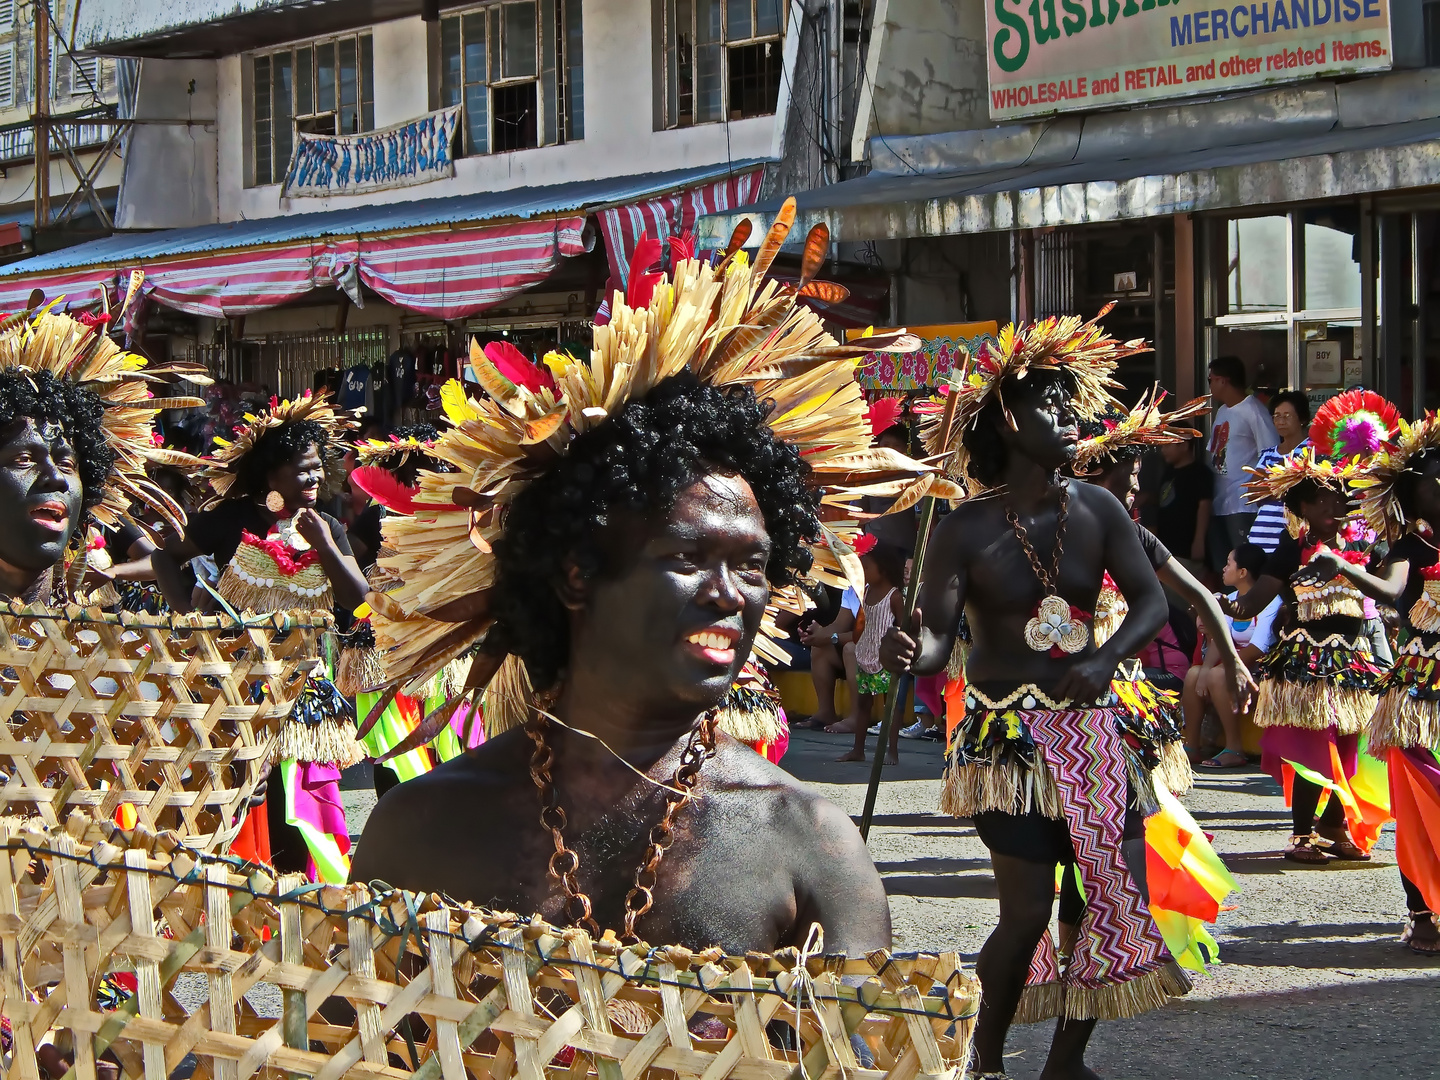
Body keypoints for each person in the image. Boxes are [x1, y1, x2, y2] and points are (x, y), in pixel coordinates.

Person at [351, 218, 950, 952]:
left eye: (754, 567)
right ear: (577, 574)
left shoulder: (810, 846)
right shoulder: (424, 828)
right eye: (687, 559)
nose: (731, 595)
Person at [882, 309, 1188, 1080]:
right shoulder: (961, 527)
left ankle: (1064, 1063)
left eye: (1071, 405)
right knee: (1023, 916)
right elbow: (935, 644)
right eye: (1051, 406)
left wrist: (1108, 657)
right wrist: (904, 647)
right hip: (1006, 741)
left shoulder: (1099, 508)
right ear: (1010, 417)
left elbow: (1152, 603)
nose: (1072, 421)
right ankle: (984, 1059)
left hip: (1094, 734)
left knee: (1100, 903)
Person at [152, 391, 370, 883]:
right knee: (246, 806)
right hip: (238, 696)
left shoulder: (329, 525)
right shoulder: (231, 520)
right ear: (270, 475)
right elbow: (165, 557)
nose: (314, 479)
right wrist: (186, 610)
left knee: (301, 819)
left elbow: (359, 600)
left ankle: (309, 906)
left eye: (317, 468)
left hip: (305, 698)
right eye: (302, 469)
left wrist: (324, 545)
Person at [1225, 442, 1392, 864]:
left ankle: (1334, 824)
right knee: (1313, 746)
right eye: (1320, 498)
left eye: (1337, 495)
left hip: (1356, 659)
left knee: (1355, 746)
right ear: (1302, 505)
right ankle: (1301, 834)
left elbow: (1392, 588)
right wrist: (1217, 604)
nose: (1332, 503)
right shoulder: (1291, 546)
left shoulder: (1365, 544)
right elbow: (1251, 603)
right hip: (1307, 662)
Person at [0, 308, 201, 606]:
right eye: (24, 460)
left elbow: (155, 557)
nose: (55, 477)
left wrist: (114, 572)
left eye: (68, 464)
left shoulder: (96, 641)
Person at [1345, 415, 1440, 953]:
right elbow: (1386, 589)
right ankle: (1420, 909)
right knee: (1417, 798)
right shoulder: (1409, 549)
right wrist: (1342, 563)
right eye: (1434, 478)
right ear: (1411, 492)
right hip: (1418, 694)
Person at [1183, 543, 1281, 769]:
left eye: (1229, 564)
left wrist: (1224, 668)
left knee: (1218, 675)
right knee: (1193, 674)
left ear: (1243, 572)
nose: (1223, 569)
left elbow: (1259, 647)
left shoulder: (1271, 601)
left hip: (1261, 677)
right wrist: (1205, 669)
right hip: (1233, 668)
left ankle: (1234, 748)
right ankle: (1192, 746)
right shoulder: (1231, 598)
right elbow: (1220, 638)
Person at [1206, 356, 1278, 571]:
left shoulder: (1254, 410)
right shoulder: (1221, 411)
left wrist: (1259, 488)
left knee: (1244, 567)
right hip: (1218, 501)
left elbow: (1271, 452)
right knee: (1224, 567)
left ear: (1223, 380)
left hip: (1242, 504)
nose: (1209, 385)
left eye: (1211, 379)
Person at [836, 535, 904, 764]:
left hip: (886, 657)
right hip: (865, 653)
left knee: (890, 706)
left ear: (883, 569)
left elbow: (903, 627)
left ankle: (891, 751)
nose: (862, 571)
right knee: (863, 704)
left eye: (866, 566)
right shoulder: (864, 590)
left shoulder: (895, 596)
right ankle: (858, 749)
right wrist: (850, 639)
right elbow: (860, 623)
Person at [1247, 390, 1311, 552]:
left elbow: (1303, 491)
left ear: (1302, 419)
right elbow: (1252, 492)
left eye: (1287, 416)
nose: (1280, 421)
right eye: (1277, 416)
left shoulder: (1312, 451)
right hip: (1260, 537)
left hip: (1292, 538)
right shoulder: (1268, 454)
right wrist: (1284, 483)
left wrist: (1269, 484)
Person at [1155, 435, 1213, 578]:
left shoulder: (1200, 472)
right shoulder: (1168, 471)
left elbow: (1204, 506)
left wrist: (1198, 541)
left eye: (1167, 445)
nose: (1163, 450)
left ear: (1184, 445)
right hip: (1167, 546)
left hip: (1187, 547)